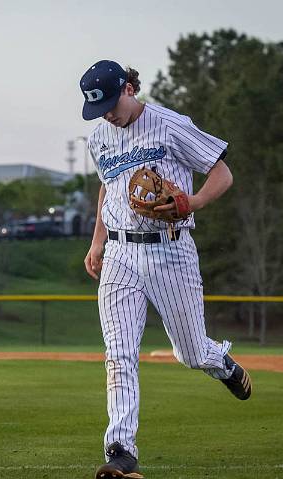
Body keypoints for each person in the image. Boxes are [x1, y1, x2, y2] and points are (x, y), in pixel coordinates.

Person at [79, 60, 252, 479]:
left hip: (170, 252)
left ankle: (221, 363)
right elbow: (107, 185)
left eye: (108, 103)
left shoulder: (170, 125)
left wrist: (190, 203)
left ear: (130, 88)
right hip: (120, 254)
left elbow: (221, 172)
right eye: (96, 107)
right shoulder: (99, 136)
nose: (105, 113)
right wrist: (98, 240)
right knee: (119, 355)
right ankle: (121, 450)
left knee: (190, 353)